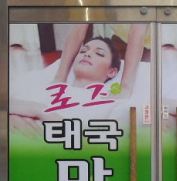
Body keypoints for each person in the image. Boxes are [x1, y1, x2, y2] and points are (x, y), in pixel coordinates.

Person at [10, 24, 147, 127]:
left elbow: (84, 136)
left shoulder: (108, 99)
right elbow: (7, 104)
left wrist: (41, 112)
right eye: (83, 51)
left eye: (99, 54)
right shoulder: (49, 89)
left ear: (111, 72)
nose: (87, 54)